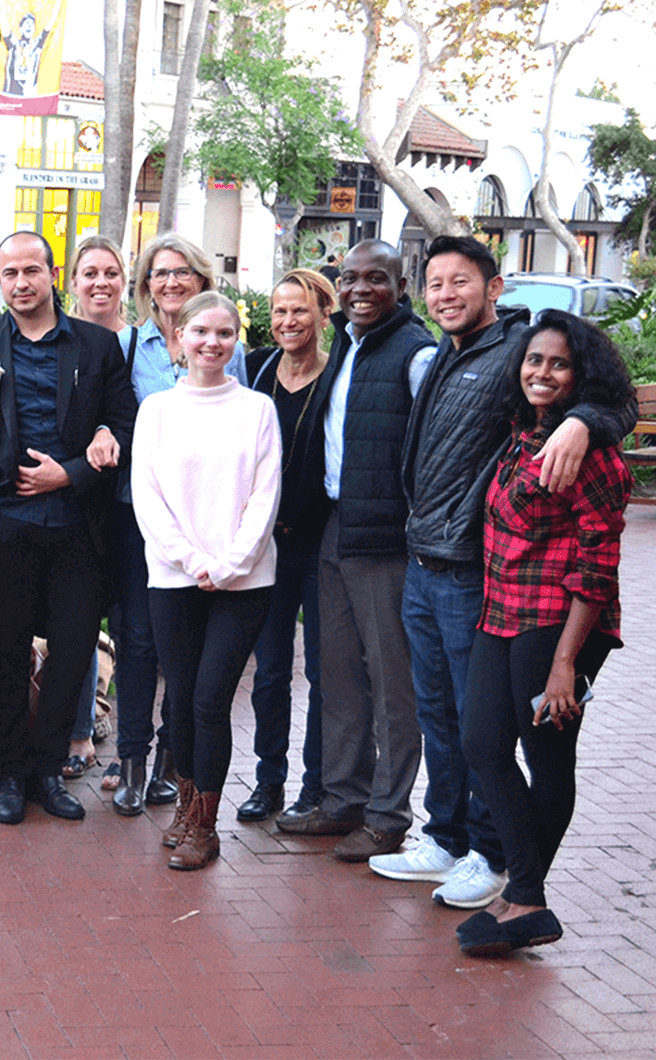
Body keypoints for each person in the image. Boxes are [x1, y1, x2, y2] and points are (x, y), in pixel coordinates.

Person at [372, 236, 636, 908]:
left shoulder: (516, 347)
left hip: (481, 581)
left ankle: (495, 857)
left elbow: (608, 398)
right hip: (427, 564)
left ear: (494, 288)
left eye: (461, 281)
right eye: (434, 283)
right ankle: (449, 836)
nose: (446, 294)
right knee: (445, 718)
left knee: (484, 728)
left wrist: (582, 421)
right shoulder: (444, 354)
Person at [0, 231, 134, 826]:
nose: (21, 282)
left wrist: (70, 473)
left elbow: (122, 418)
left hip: (77, 523)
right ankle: (10, 773)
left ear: (53, 275)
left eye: (31, 270)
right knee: (8, 652)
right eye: (9, 272)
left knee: (73, 652)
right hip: (5, 525)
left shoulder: (98, 346)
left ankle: (49, 770)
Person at [456, 310, 632, 957]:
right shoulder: (522, 433)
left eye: (559, 363)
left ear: (579, 375)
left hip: (558, 626)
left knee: (548, 760)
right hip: (502, 612)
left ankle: (526, 897)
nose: (543, 372)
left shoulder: (590, 454)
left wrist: (565, 663)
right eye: (535, 360)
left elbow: (598, 565)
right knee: (481, 741)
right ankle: (524, 890)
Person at [274, 239, 438, 863]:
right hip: (335, 528)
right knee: (338, 674)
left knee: (392, 682)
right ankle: (343, 797)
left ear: (402, 285)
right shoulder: (346, 341)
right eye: (350, 278)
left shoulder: (415, 353)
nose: (360, 289)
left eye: (377, 278)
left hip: (388, 539)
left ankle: (389, 813)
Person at [132, 291, 281, 869]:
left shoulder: (256, 410)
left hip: (244, 583)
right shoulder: (158, 411)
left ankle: (206, 826)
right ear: (179, 341)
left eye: (224, 333)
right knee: (184, 699)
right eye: (200, 333)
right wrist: (192, 562)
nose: (211, 344)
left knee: (212, 698)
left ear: (235, 341)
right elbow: (149, 498)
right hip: (173, 577)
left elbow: (264, 496)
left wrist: (227, 565)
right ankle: (187, 799)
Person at [107, 234, 246, 817]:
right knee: (138, 642)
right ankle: (133, 765)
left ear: (200, 276)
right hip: (139, 515)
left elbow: (241, 427)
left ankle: (174, 763)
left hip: (207, 519)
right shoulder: (125, 343)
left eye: (182, 272)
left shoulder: (225, 344)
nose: (170, 282)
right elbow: (110, 416)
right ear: (146, 283)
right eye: (159, 273)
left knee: (182, 654)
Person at [238, 269, 334, 822]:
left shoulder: (339, 374)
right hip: (267, 543)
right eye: (278, 311)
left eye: (300, 310)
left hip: (322, 543)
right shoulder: (256, 371)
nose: (288, 321)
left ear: (323, 313)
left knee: (323, 673)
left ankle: (315, 785)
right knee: (271, 671)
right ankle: (267, 781)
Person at [64, 234, 130, 782]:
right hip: (80, 498)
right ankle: (81, 730)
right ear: (74, 281)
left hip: (136, 504)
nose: (100, 283)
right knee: (79, 620)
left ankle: (134, 749)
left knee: (139, 630)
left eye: (110, 272)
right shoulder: (62, 343)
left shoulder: (145, 344)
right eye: (90, 273)